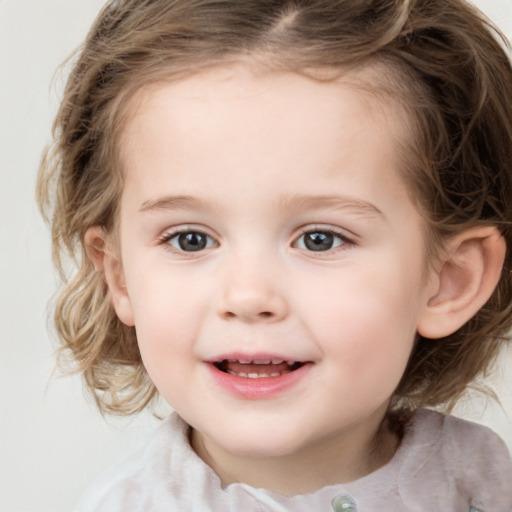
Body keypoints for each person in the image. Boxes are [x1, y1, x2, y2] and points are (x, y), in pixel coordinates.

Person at [37, 0, 512, 510]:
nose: (247, 296)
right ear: (121, 276)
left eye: (319, 239)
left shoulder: (483, 482)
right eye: (190, 239)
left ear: (449, 280)